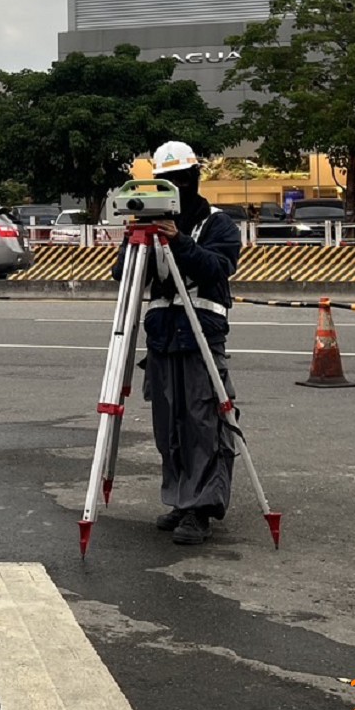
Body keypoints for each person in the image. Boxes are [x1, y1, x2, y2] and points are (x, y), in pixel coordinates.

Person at [114, 140, 243, 546]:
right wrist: (136, 238)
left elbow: (218, 268)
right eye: (169, 180)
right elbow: (123, 275)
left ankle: (201, 508)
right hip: (162, 337)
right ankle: (181, 499)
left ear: (195, 178)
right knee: (169, 427)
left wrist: (179, 241)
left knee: (204, 425)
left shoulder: (217, 224)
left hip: (201, 334)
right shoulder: (148, 223)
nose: (178, 187)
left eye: (183, 179)